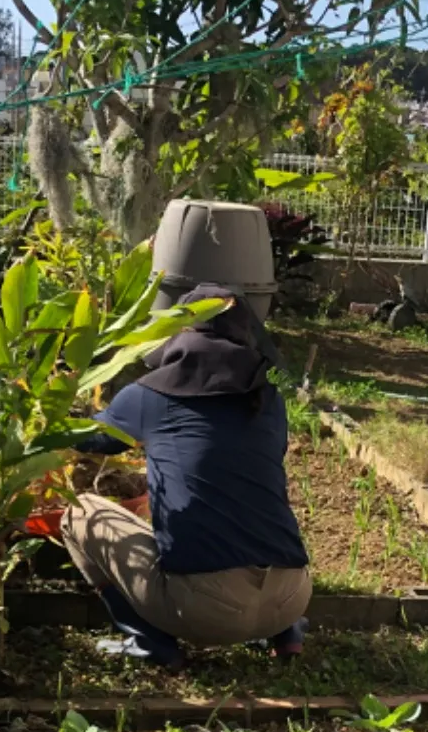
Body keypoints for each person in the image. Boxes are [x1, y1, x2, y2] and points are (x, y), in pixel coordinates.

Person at [62, 283, 311, 668]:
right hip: (292, 594)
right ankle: (287, 633)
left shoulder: (149, 395)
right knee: (253, 503)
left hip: (207, 612)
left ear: (178, 332)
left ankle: (151, 642)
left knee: (79, 512)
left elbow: (92, 439)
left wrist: (46, 415)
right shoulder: (268, 400)